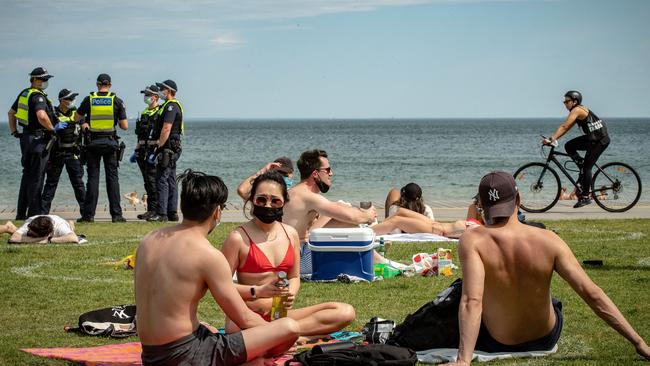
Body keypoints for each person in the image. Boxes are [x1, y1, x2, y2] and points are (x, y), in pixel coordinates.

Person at [440, 171, 650, 366]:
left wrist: (463, 360)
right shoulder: (549, 239)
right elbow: (591, 293)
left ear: (482, 207)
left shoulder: (473, 240)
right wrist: (639, 343)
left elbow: (472, 301)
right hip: (545, 337)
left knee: (463, 290)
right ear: (519, 200)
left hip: (499, 340)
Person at [135, 169, 300, 366]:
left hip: (150, 355)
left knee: (209, 332)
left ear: (183, 205)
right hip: (186, 354)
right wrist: (276, 336)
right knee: (289, 327)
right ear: (217, 212)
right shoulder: (208, 255)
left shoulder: (149, 240)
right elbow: (245, 319)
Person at [222, 171, 355, 338]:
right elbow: (222, 287)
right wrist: (258, 291)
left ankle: (285, 334)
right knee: (235, 329)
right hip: (248, 316)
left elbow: (294, 276)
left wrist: (290, 293)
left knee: (345, 312)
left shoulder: (290, 234)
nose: (268, 205)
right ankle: (289, 334)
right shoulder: (238, 238)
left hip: (280, 312)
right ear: (252, 201)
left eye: (275, 200)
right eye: (261, 199)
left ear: (284, 202)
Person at [282, 149, 377, 274]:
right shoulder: (309, 197)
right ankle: (382, 261)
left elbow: (338, 210)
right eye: (327, 170)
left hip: (292, 253)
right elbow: (351, 218)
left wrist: (358, 213)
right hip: (298, 261)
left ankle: (379, 258)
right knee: (348, 223)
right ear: (315, 174)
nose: (331, 173)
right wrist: (368, 215)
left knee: (340, 206)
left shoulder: (296, 191)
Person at [74, 73, 128, 223]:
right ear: (110, 85)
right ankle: (116, 215)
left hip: (92, 144)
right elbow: (124, 126)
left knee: (93, 179)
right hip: (110, 143)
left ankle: (88, 215)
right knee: (112, 179)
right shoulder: (117, 101)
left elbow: (76, 118)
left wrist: (85, 121)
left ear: (97, 85)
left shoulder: (89, 99)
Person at [543, 90, 610, 209]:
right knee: (569, 146)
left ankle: (585, 197)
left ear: (575, 101)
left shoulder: (577, 110)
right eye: (564, 102)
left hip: (599, 140)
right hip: (592, 138)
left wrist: (552, 139)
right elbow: (567, 127)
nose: (565, 104)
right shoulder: (578, 110)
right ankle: (581, 167)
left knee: (587, 168)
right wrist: (554, 138)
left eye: (567, 101)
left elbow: (564, 126)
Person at [7, 67, 57, 219]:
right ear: (34, 79)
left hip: (26, 138)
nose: (46, 82)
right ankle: (35, 214)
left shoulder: (24, 93)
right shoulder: (37, 96)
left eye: (47, 79)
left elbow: (11, 113)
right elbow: (41, 115)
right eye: (43, 79)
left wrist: (14, 132)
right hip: (38, 139)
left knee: (27, 176)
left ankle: (21, 213)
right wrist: (52, 129)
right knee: (37, 177)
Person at [41, 89, 86, 216]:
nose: (72, 101)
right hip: (57, 154)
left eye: (73, 99)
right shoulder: (53, 113)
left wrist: (87, 128)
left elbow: (84, 125)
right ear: (62, 100)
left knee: (78, 183)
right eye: (70, 99)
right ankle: (43, 213)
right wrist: (54, 128)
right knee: (51, 183)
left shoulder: (77, 113)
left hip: (73, 153)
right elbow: (46, 129)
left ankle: (86, 214)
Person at [147, 80, 183, 222]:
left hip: (167, 147)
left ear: (168, 91)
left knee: (162, 179)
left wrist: (159, 147)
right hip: (172, 147)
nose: (160, 90)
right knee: (171, 179)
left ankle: (162, 213)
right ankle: (172, 212)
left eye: (162, 88)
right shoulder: (169, 106)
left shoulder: (170, 107)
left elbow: (166, 128)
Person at [131, 85, 161, 220]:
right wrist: (136, 150)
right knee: (147, 182)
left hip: (153, 150)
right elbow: (140, 135)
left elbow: (163, 133)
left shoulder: (160, 112)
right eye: (145, 94)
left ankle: (157, 210)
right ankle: (150, 210)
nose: (146, 97)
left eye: (148, 95)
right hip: (142, 150)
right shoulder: (144, 113)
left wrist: (156, 151)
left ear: (155, 97)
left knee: (153, 181)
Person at [372, 207, 477, 238]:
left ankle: (366, 232)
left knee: (397, 221)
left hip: (437, 231)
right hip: (435, 224)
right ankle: (377, 228)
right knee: (401, 211)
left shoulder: (480, 229)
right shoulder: (476, 220)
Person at [8, 215, 80, 244]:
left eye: (32, 234)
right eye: (29, 230)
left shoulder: (60, 226)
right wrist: (38, 240)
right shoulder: (31, 223)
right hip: (42, 218)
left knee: (71, 229)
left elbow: (74, 238)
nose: (28, 233)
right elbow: (13, 238)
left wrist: (49, 240)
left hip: (60, 221)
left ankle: (71, 223)